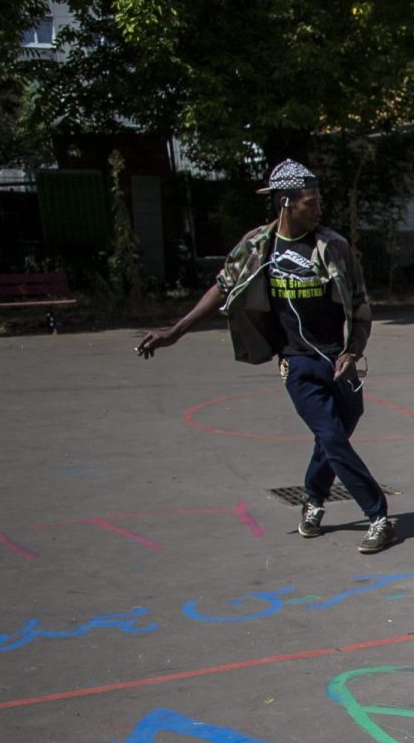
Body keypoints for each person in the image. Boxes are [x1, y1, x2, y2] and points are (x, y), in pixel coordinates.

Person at [137, 159, 397, 553]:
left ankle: (312, 498)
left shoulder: (333, 246)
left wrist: (352, 350)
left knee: (335, 435)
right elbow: (223, 288)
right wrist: (176, 331)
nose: (318, 208)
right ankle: (379, 516)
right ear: (285, 203)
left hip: (338, 360)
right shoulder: (259, 246)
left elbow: (360, 306)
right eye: (310, 202)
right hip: (296, 363)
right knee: (329, 435)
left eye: (318, 201)